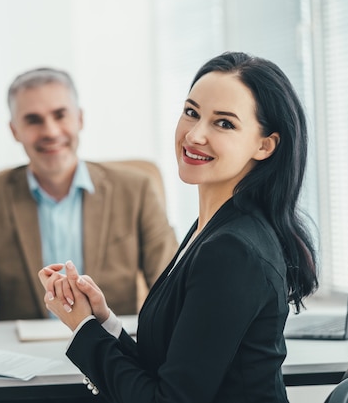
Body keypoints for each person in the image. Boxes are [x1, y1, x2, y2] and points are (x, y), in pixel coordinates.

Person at [39, 52, 319, 402]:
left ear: (264, 145)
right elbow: (169, 368)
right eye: (192, 112)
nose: (195, 134)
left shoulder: (233, 250)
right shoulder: (214, 227)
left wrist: (81, 328)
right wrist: (103, 321)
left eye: (224, 123)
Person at [0, 67, 178, 329]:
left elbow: (172, 286)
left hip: (113, 352)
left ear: (80, 119)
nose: (50, 131)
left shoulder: (136, 189)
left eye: (60, 115)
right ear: (15, 130)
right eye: (33, 120)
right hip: (27, 357)